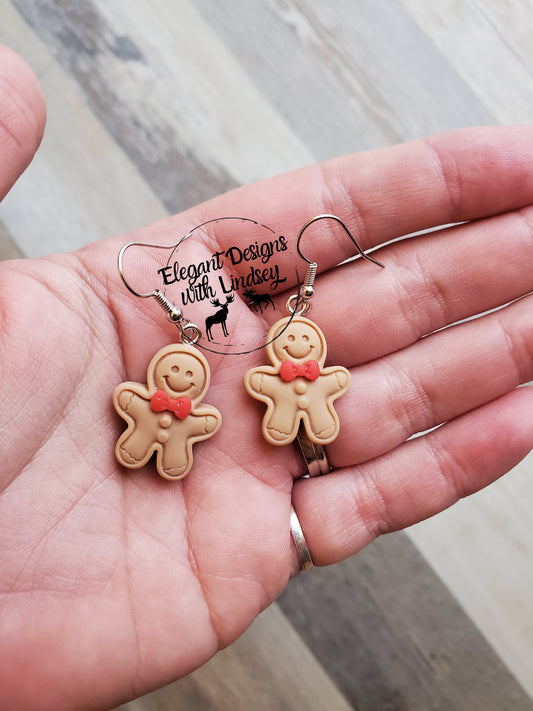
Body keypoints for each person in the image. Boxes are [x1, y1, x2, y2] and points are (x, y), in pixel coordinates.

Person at [1, 44, 533, 710]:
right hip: (165, 439)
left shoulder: (276, 364)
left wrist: (307, 381)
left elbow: (315, 388)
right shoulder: (167, 383)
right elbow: (165, 407)